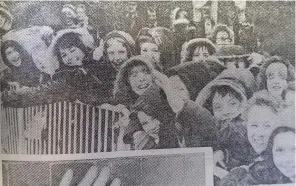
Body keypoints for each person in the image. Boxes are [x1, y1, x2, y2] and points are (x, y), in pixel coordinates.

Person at [216, 91, 284, 185]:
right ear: (246, 126)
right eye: (254, 125)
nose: (259, 133)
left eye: (267, 126)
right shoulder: (255, 156)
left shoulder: (282, 164)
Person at [113, 56, 179, 150]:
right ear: (127, 81)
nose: (141, 79)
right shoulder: (128, 107)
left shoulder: (168, 102)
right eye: (134, 75)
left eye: (147, 72)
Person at [196, 69, 257, 170]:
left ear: (244, 104)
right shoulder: (210, 131)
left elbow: (244, 149)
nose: (226, 111)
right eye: (218, 107)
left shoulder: (249, 130)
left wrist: (225, 153)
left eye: (232, 104)